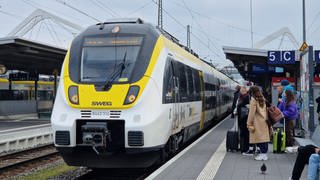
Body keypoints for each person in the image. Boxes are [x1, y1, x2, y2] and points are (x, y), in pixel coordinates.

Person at [246, 86, 270, 161]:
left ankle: (262, 154)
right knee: (264, 138)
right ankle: (264, 154)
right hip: (264, 120)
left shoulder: (253, 100)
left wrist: (249, 123)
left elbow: (251, 113)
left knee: (259, 138)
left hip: (258, 122)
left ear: (252, 92)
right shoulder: (262, 98)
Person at [236, 86, 250, 153]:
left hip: (245, 118)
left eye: (243, 90)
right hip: (241, 118)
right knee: (242, 133)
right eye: (241, 90)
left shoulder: (247, 97)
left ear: (246, 91)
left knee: (245, 133)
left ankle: (245, 148)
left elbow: (242, 106)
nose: (241, 92)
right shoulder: (241, 97)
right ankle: (242, 147)